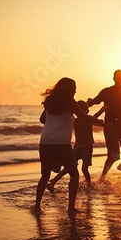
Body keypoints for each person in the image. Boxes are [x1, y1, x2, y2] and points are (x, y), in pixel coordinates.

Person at [35, 78, 102, 213]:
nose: (75, 90)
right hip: (61, 144)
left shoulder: (49, 102)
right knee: (74, 174)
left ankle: (37, 206)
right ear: (68, 89)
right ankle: (71, 208)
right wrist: (98, 121)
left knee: (45, 175)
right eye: (74, 88)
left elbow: (42, 119)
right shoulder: (70, 102)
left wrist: (54, 120)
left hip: (45, 142)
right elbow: (83, 117)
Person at [47, 101, 106, 192]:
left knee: (69, 167)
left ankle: (53, 181)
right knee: (84, 169)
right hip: (87, 147)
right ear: (83, 110)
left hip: (77, 147)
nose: (88, 109)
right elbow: (95, 118)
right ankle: (89, 185)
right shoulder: (87, 119)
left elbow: (94, 120)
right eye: (87, 108)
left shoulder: (75, 121)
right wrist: (103, 110)